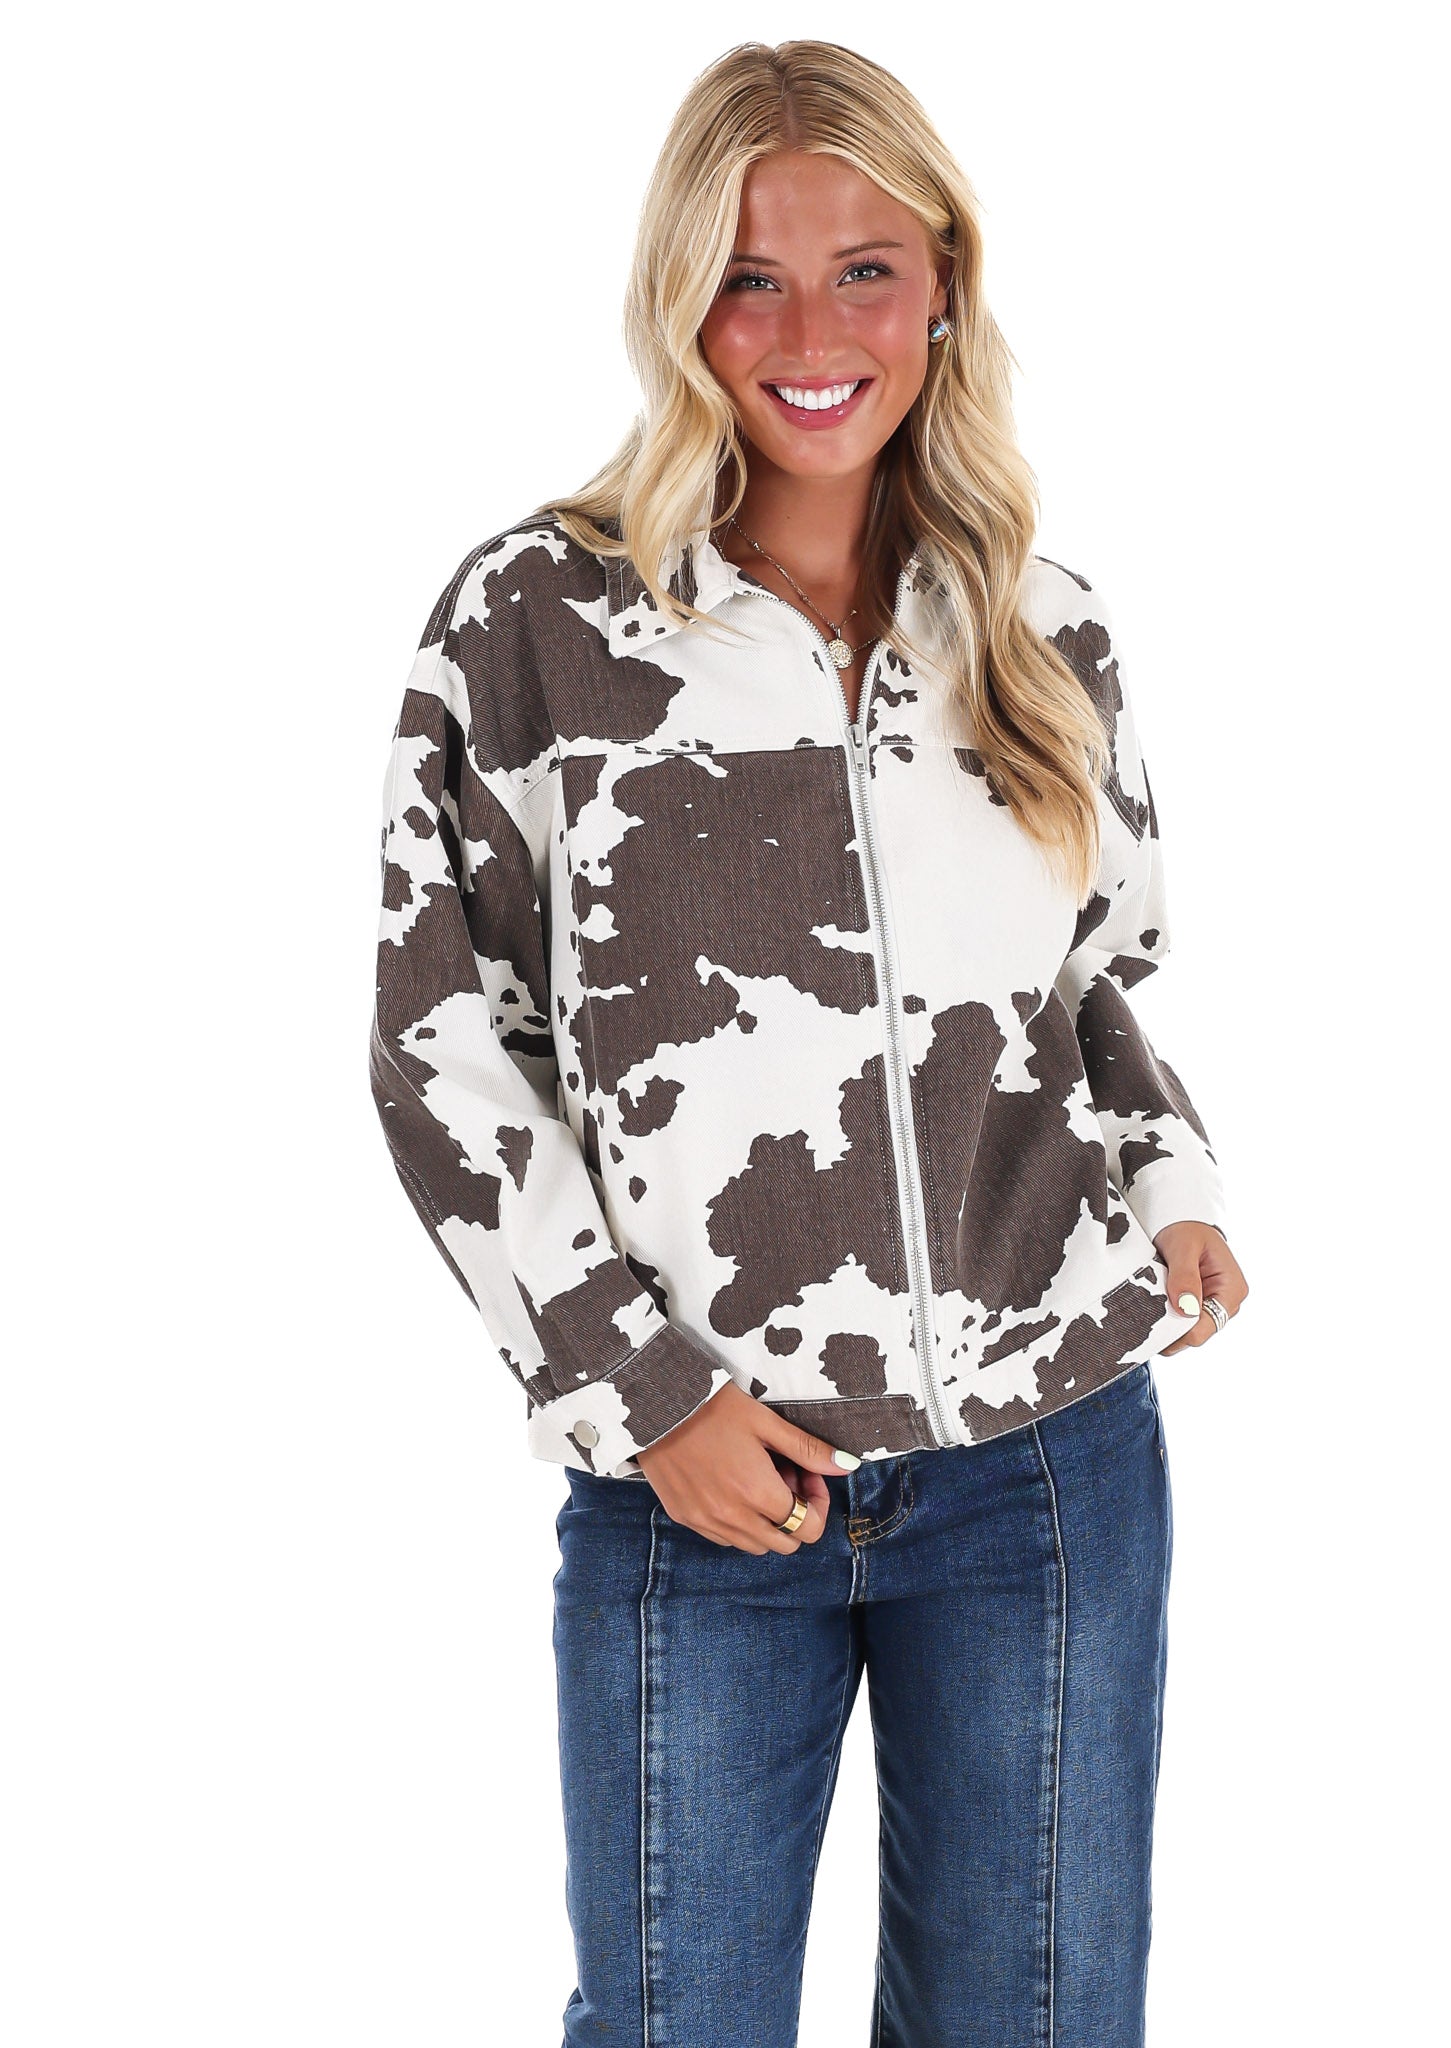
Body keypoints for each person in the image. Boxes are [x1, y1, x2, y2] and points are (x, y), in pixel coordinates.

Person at [368, 36, 1249, 2048]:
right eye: (749, 280)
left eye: (866, 270)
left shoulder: (1043, 627)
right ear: (677, 301)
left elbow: (1092, 987)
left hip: (1044, 1475)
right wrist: (641, 1389)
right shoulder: (539, 623)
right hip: (705, 1487)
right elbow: (439, 1040)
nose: (812, 333)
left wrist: (1173, 1178)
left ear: (944, 284)